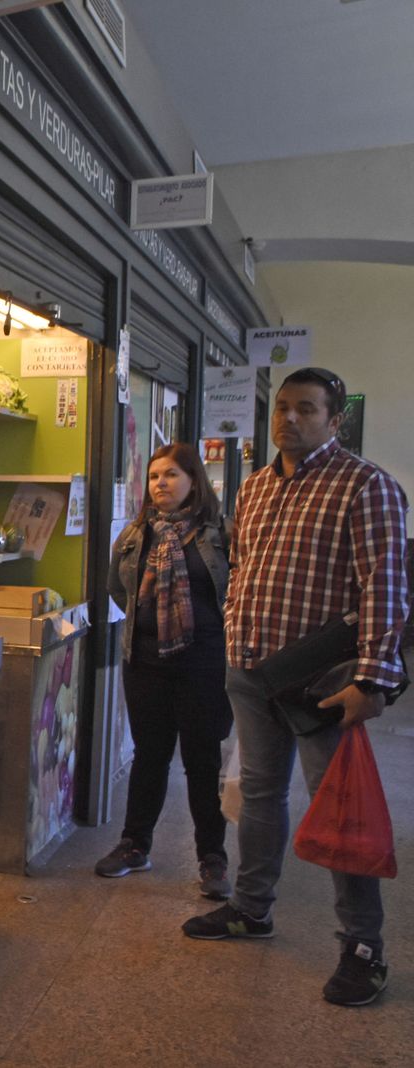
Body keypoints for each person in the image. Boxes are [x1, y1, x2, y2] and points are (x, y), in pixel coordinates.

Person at [182, 367, 409, 1008]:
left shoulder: (366, 487)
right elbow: (244, 567)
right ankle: (251, 910)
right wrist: (233, 638)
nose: (289, 419)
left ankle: (364, 947)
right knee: (258, 793)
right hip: (252, 671)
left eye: (307, 409)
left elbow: (386, 592)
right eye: (282, 407)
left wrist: (373, 678)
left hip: (321, 683)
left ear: (335, 420)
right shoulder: (254, 488)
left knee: (339, 809)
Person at [95, 443, 234, 898]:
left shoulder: (219, 534)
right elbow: (119, 589)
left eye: (171, 475)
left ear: (194, 480)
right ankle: (135, 845)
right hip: (147, 662)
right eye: (154, 476)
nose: (160, 484)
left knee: (201, 761)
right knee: (149, 757)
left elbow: (233, 595)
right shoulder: (137, 534)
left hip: (203, 663)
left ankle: (212, 858)